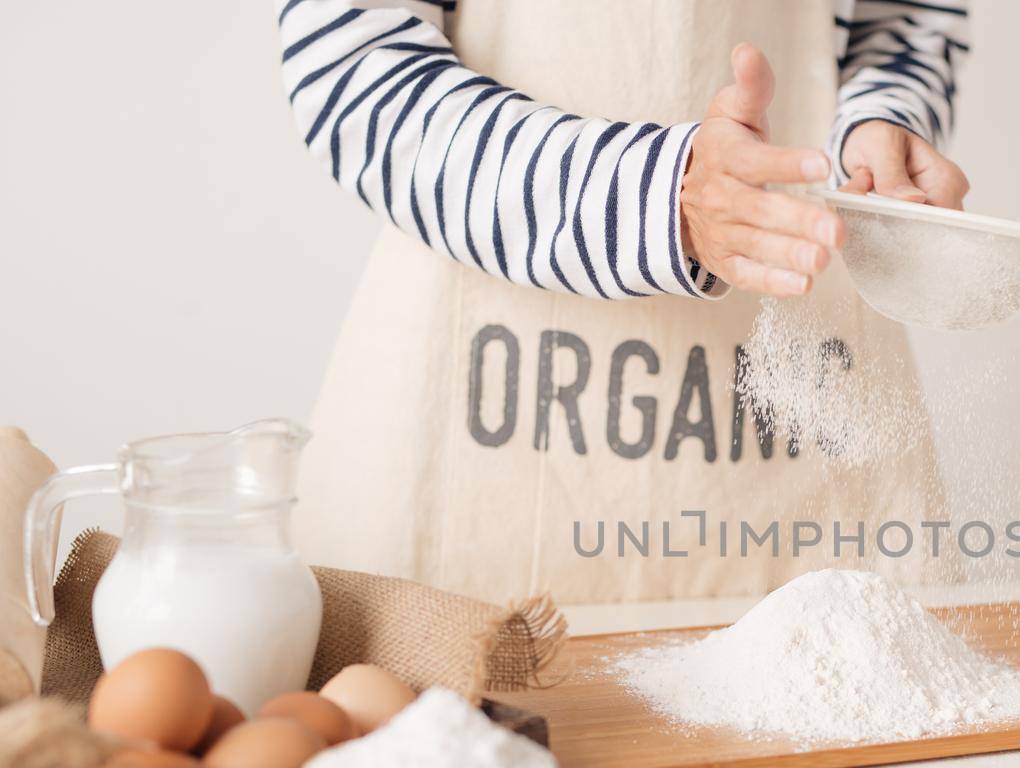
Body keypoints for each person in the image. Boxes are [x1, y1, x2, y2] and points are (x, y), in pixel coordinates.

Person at [276, 0, 970, 603]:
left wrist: (880, 127)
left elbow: (904, 23)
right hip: (473, 431)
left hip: (806, 408)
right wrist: (660, 195)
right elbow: (355, 68)